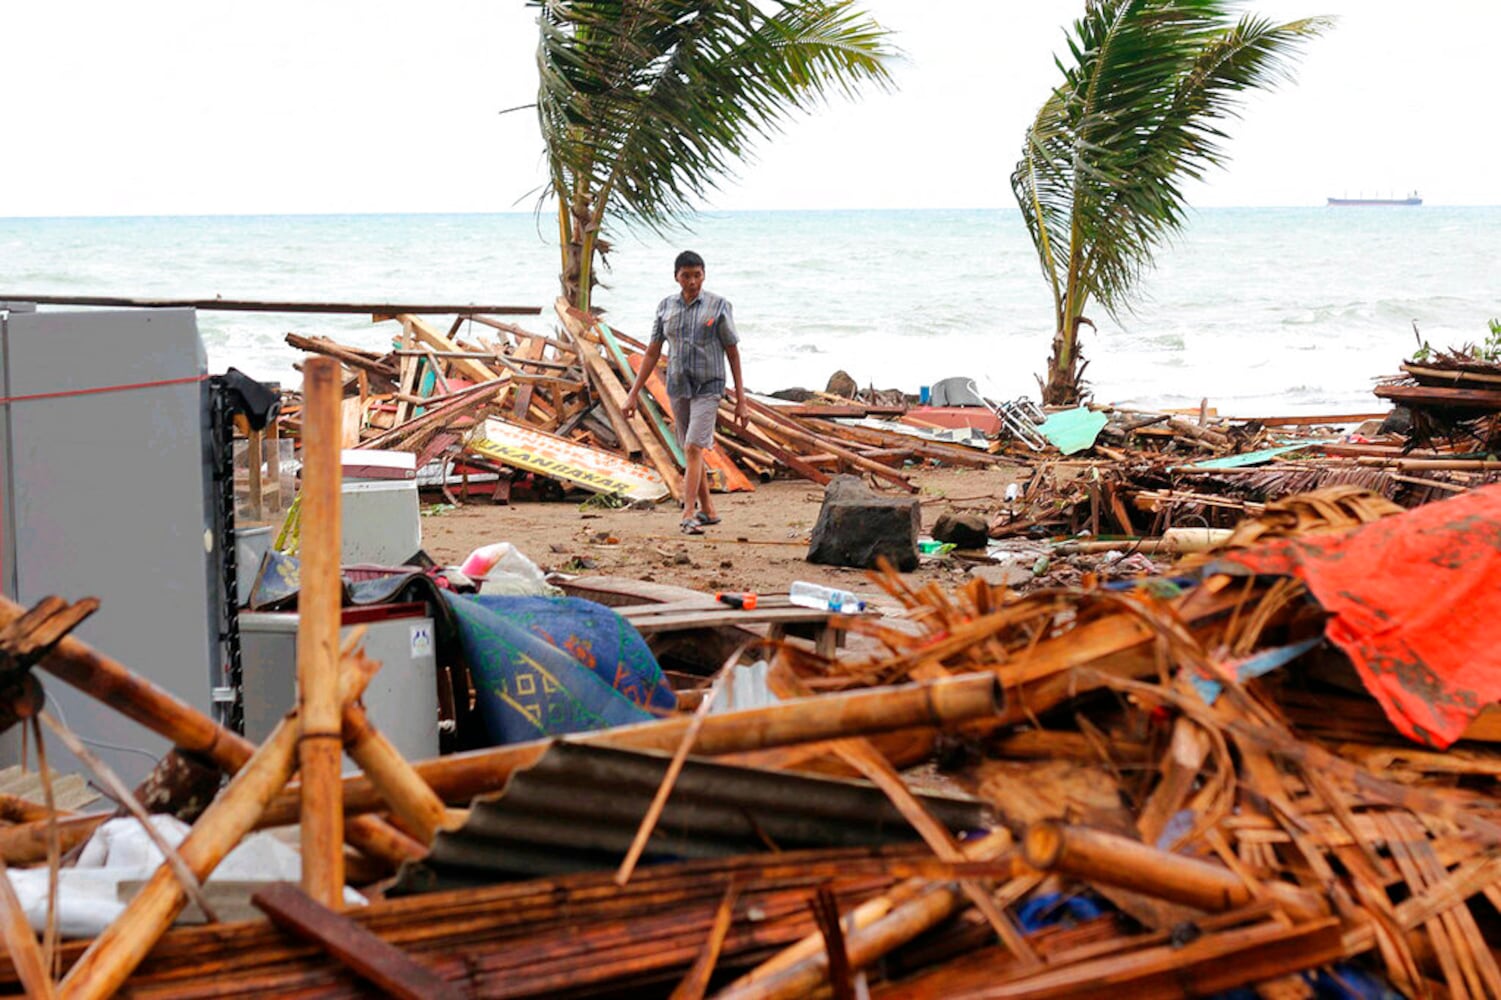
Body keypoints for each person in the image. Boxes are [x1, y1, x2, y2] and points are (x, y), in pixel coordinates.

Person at [622, 250, 746, 534]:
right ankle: (709, 510)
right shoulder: (666, 307)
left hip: (709, 386)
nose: (692, 282)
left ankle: (688, 513)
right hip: (678, 387)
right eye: (686, 276)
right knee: (691, 450)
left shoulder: (718, 306)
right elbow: (653, 352)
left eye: (697, 275)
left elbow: (733, 353)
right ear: (676, 276)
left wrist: (742, 401)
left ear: (704, 274)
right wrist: (632, 394)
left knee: (692, 447)